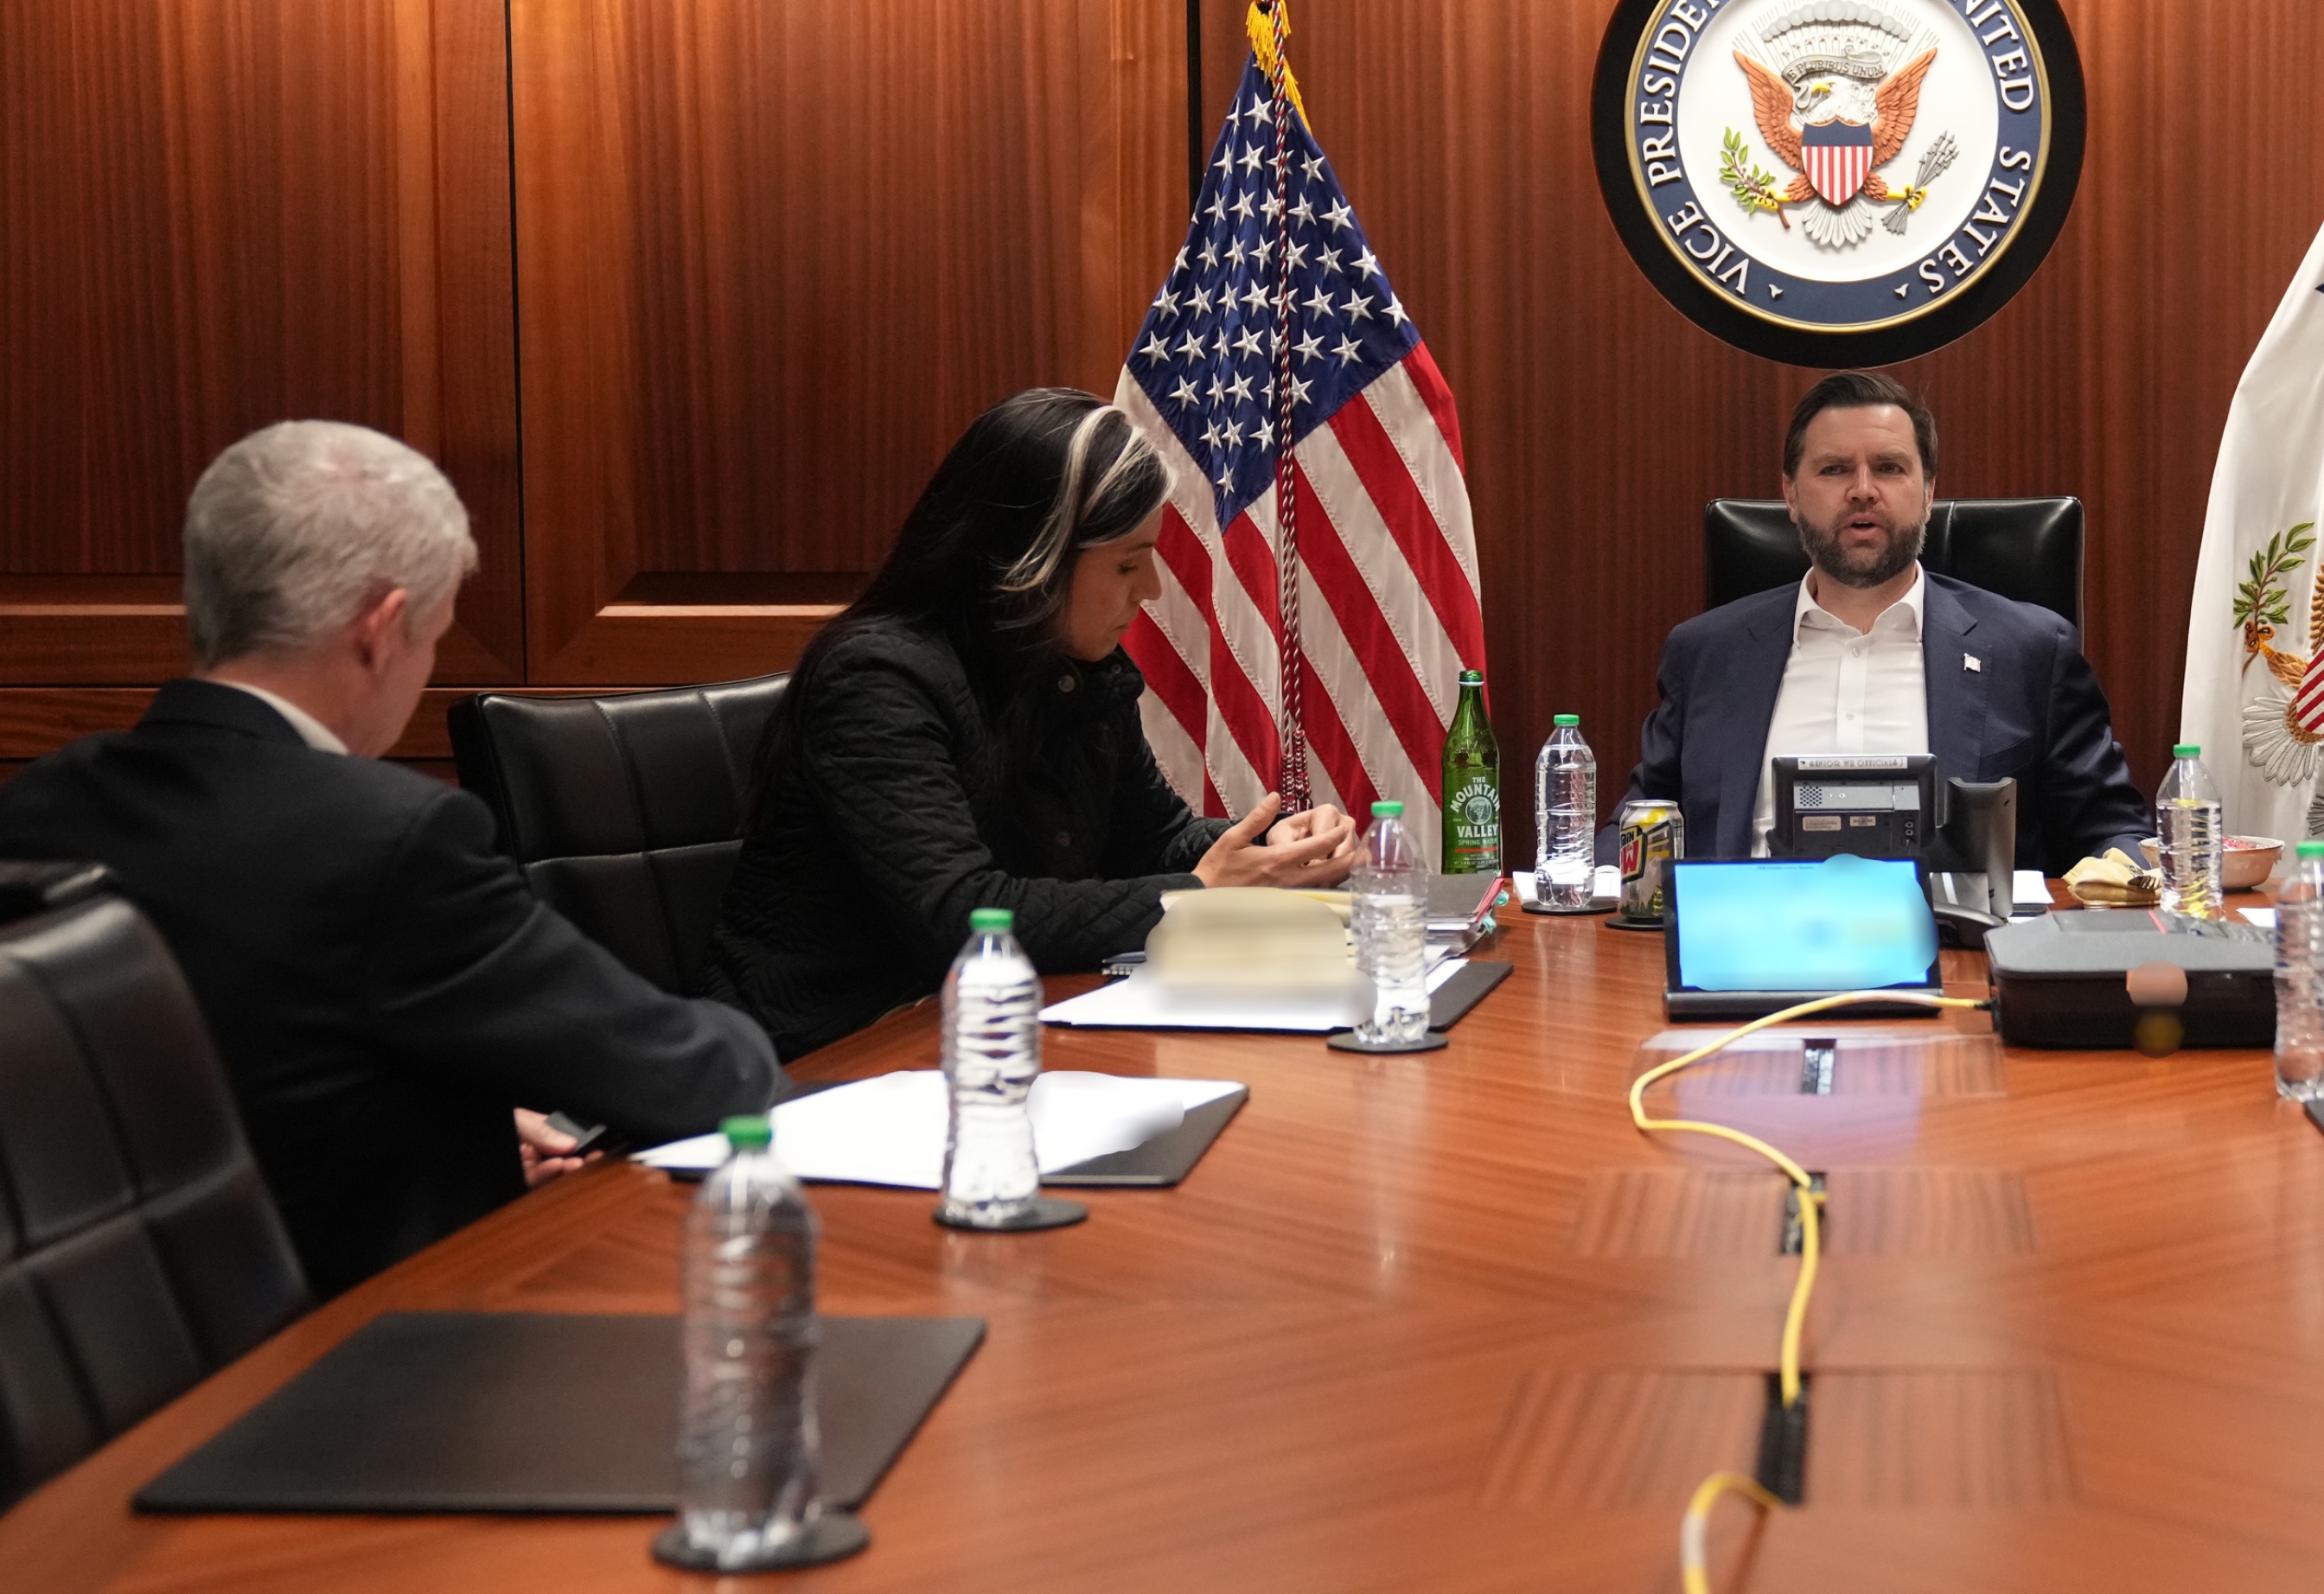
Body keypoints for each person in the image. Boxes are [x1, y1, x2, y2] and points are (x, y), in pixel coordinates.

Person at [0, 423, 783, 1297]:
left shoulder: (39, 801)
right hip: (374, 1331)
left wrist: (461, 1120)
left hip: (119, 1331)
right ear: (379, 630)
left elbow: (236, 1075)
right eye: (434, 635)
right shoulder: (393, 838)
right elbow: (699, 1079)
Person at [705, 387, 1357, 1059]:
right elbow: (963, 915)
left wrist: (1274, 847)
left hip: (987, 1026)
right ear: (1031, 559)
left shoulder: (1075, 666)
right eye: (1127, 563)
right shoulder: (876, 677)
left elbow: (1155, 840)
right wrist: (1199, 893)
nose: (1151, 589)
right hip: (830, 1050)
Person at [1623, 372, 2144, 872]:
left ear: (1929, 492)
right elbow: (1638, 829)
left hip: (1951, 932)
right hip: (1746, 929)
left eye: (1890, 467)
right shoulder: (1707, 653)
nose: (1863, 490)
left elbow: (2113, 834)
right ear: (1791, 495)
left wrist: (2123, 875)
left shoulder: (2029, 651)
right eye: (1834, 469)